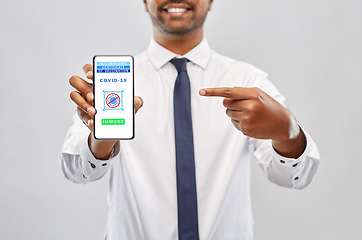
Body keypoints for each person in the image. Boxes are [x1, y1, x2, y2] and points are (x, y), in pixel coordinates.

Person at [60, 0, 320, 239]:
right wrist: (102, 139)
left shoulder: (248, 81)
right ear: (144, 1)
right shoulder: (117, 84)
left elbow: (294, 177)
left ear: (210, 1)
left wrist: (287, 133)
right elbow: (76, 170)